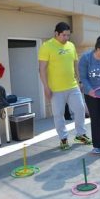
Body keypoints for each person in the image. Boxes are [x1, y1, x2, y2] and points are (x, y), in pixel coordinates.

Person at [38, 22, 91, 150]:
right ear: (56, 33)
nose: (66, 38)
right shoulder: (47, 46)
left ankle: (80, 134)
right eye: (64, 35)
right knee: (59, 114)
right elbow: (42, 69)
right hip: (55, 89)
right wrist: (46, 87)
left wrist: (80, 81)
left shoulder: (71, 46)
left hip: (72, 86)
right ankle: (63, 138)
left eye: (68, 35)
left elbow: (75, 64)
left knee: (80, 109)